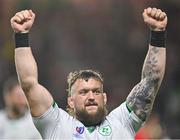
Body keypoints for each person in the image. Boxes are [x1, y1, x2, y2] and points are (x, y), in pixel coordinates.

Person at [10, 7, 167, 139]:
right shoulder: (55, 124)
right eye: (83, 92)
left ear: (104, 98)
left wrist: (158, 33)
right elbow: (29, 83)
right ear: (71, 101)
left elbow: (151, 81)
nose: (91, 97)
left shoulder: (123, 121)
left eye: (96, 91)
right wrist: (21, 35)